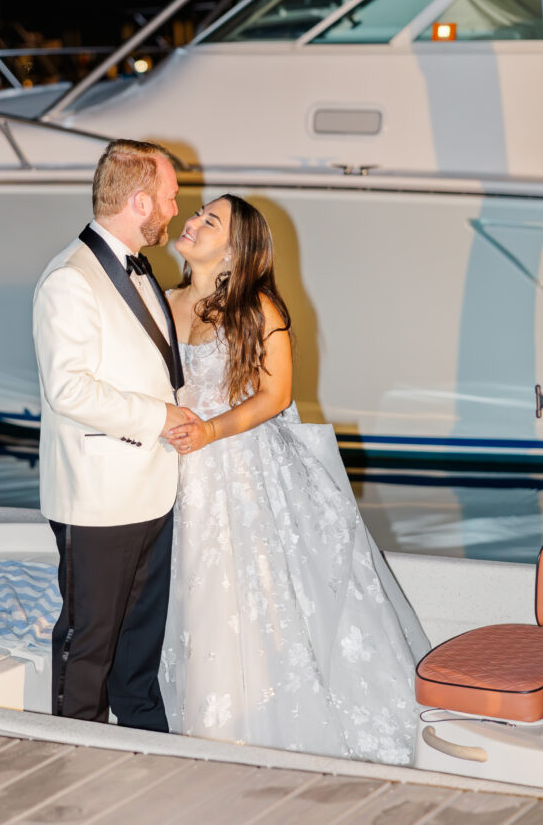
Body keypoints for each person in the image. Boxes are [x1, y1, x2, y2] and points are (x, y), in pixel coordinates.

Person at [159, 194, 430, 765]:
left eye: (212, 221)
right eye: (199, 213)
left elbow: (275, 394)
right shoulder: (162, 301)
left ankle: (246, 732)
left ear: (236, 252)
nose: (194, 220)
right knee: (186, 599)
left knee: (244, 596)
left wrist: (210, 431)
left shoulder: (257, 308)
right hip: (175, 474)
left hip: (240, 470)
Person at [33, 138, 196, 731]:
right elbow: (67, 391)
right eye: (171, 198)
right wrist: (160, 419)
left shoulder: (142, 270)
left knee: (137, 649)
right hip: (97, 497)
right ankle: (69, 756)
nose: (176, 210)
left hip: (152, 490)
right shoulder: (68, 280)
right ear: (139, 201)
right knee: (89, 645)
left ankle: (148, 746)